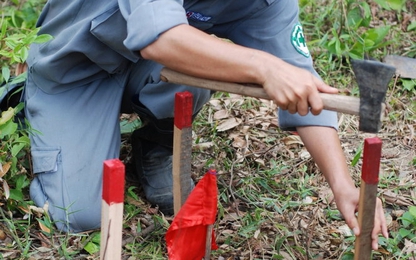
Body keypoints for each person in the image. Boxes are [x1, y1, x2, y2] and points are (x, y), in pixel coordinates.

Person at [24, 0, 387, 250]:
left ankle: (156, 144)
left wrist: (342, 183)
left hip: (150, 69)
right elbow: (160, 38)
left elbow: (301, 82)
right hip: (76, 70)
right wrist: (263, 67)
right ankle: (38, 107)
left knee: (197, 72)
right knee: (80, 214)